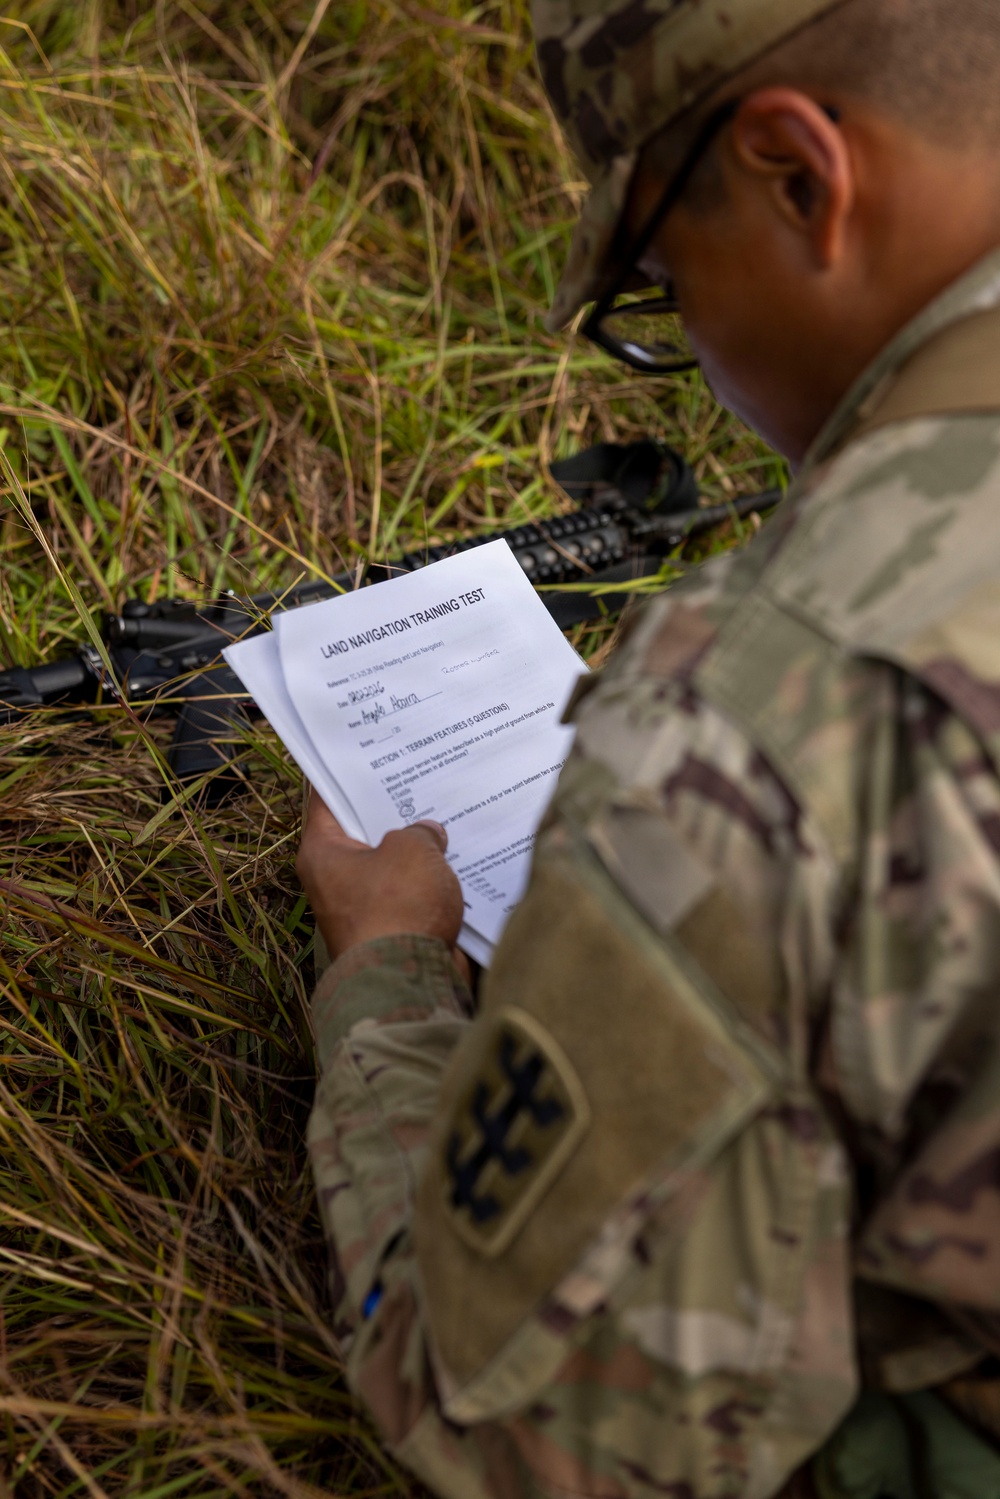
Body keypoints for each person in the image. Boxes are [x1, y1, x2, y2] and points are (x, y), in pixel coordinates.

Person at [296, 1, 1000, 1493]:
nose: (700, 354)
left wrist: (389, 987)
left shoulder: (765, 703)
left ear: (802, 174)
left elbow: (522, 1432)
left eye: (666, 286)